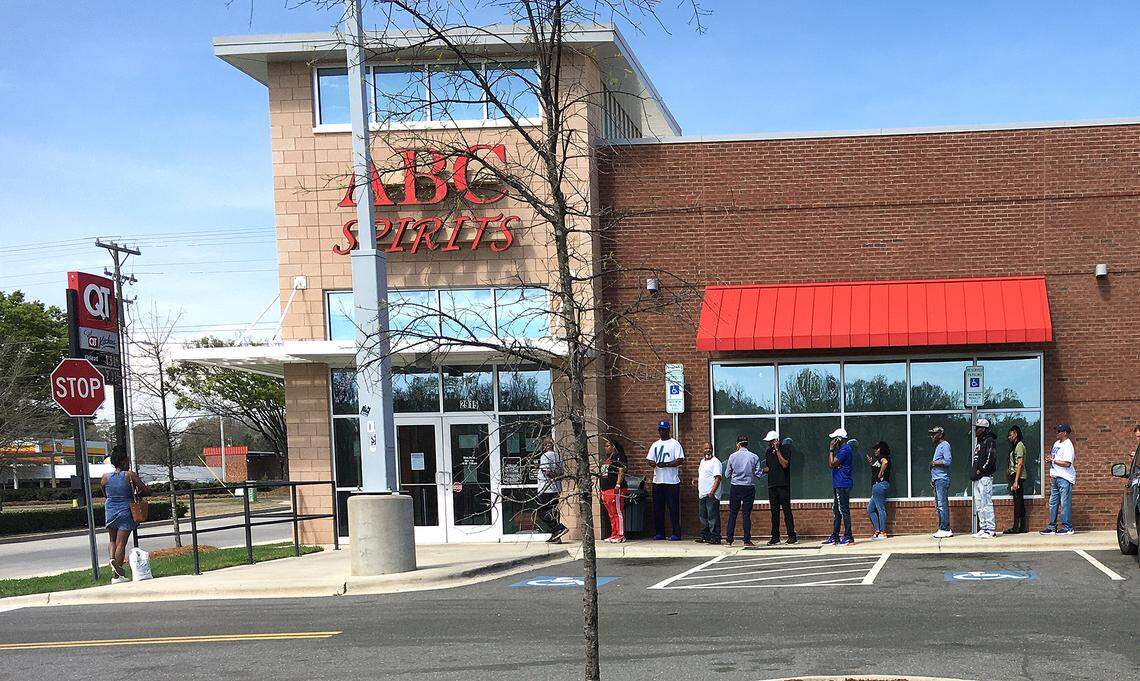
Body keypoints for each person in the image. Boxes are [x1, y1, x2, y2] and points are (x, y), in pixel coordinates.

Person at [101, 450, 149, 583]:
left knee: (112, 540)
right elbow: (145, 489)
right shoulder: (129, 475)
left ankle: (112, 560)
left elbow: (105, 493)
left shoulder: (105, 477)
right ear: (123, 462)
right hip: (125, 510)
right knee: (121, 543)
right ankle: (118, 576)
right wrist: (137, 494)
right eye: (127, 461)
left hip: (110, 509)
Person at [647, 419, 685, 541]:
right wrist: (652, 463)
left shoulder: (675, 444)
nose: (661, 432)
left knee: (673, 508)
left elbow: (680, 460)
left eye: (663, 429)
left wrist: (667, 464)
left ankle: (676, 533)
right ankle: (660, 533)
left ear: (668, 430)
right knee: (658, 508)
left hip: (672, 482)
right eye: (659, 430)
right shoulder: (655, 444)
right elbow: (649, 459)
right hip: (658, 481)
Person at [724, 434, 762, 546]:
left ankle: (729, 539)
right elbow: (758, 473)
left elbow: (727, 474)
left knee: (733, 514)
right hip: (749, 487)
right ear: (747, 444)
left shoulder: (732, 456)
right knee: (746, 514)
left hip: (735, 487)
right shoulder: (754, 457)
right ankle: (746, 540)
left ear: (738, 444)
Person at [762, 432, 796, 545]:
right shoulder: (767, 451)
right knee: (774, 512)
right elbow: (770, 467)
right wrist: (759, 470)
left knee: (787, 511)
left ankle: (792, 535)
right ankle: (775, 537)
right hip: (772, 485)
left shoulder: (785, 449)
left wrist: (777, 450)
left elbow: (785, 464)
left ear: (776, 441)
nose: (769, 443)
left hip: (783, 485)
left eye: (771, 441)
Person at [1042, 424, 1076, 535]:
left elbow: (1067, 463)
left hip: (1065, 478)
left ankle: (1068, 527)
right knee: (1053, 503)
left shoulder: (1068, 445)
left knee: (1064, 503)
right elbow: (1054, 459)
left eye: (1059, 431)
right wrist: (1050, 459)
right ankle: (1052, 527)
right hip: (1055, 477)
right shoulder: (1056, 444)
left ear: (1065, 433)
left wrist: (1053, 460)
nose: (1057, 433)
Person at [822, 428, 855, 545]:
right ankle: (835, 535)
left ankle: (848, 535)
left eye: (834, 439)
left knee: (843, 510)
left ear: (839, 439)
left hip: (842, 483)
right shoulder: (842, 449)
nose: (833, 441)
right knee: (836, 510)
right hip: (838, 483)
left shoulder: (845, 449)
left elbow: (831, 464)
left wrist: (831, 449)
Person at [536, 437, 568, 543]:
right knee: (553, 512)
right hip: (556, 489)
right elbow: (562, 472)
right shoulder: (557, 456)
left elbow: (547, 471)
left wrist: (552, 477)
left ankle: (559, 528)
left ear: (545, 446)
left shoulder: (545, 456)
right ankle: (556, 536)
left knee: (541, 512)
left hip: (546, 489)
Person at [971, 418, 998, 539]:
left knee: (986, 503)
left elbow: (990, 459)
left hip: (985, 477)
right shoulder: (980, 442)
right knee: (979, 504)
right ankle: (983, 528)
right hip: (977, 478)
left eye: (978, 428)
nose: (975, 430)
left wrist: (981, 469)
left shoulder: (990, 440)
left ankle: (991, 529)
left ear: (984, 429)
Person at [692, 442, 723, 544]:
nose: (708, 450)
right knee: (703, 517)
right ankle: (705, 536)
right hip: (702, 494)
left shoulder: (715, 462)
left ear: (712, 449)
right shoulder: (702, 462)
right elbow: (705, 476)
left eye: (710, 448)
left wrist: (712, 492)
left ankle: (715, 537)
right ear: (702, 450)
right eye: (706, 448)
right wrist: (697, 480)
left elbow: (717, 478)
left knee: (712, 517)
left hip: (711, 494)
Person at [599, 437, 627, 543]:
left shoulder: (618, 456)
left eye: (608, 446)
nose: (605, 448)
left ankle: (620, 534)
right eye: (605, 446)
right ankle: (614, 534)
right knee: (611, 513)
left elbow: (621, 470)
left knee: (617, 511)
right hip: (606, 489)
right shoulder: (607, 459)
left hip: (615, 488)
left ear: (613, 447)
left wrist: (618, 485)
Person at [929, 426, 953, 538]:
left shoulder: (945, 445)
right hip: (937, 479)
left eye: (934, 434)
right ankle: (942, 528)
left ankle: (945, 529)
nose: (932, 436)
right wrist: (933, 479)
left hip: (942, 479)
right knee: (939, 505)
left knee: (942, 505)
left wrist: (934, 463)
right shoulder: (939, 446)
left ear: (940, 434)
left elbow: (948, 461)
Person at [865, 441, 891, 540]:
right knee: (870, 509)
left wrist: (881, 473)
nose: (875, 451)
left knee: (880, 509)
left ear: (881, 449)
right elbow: (879, 466)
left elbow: (885, 463)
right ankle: (877, 531)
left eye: (877, 449)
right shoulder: (878, 459)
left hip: (880, 485)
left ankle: (883, 532)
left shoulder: (883, 457)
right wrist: (871, 463)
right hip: (877, 487)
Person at [1005, 426, 1028, 534]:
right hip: (1015, 476)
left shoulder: (1019, 445)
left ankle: (1016, 527)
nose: (1009, 437)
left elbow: (1020, 464)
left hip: (1018, 477)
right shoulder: (1015, 446)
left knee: (1017, 502)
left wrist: (1016, 481)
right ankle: (1022, 527)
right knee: (1020, 502)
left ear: (1016, 434)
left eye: (1011, 434)